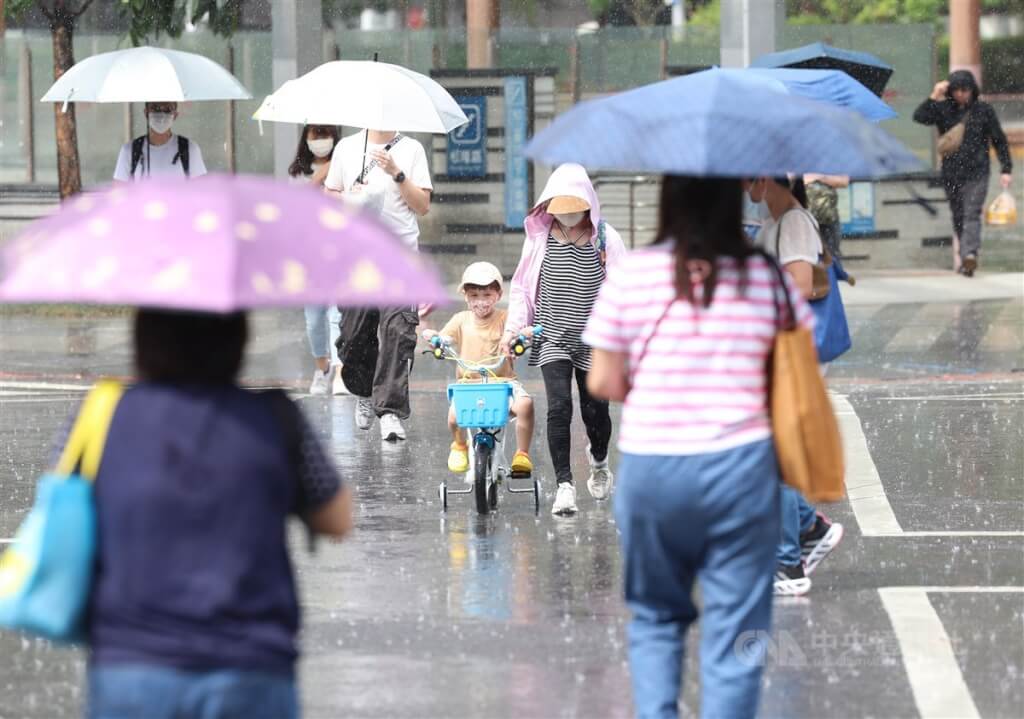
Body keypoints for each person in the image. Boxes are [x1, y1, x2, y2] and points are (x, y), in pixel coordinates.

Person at [584, 176, 813, 719]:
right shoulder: (763, 277)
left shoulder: (633, 274)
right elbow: (794, 373)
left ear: (668, 199)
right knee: (738, 630)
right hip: (741, 471)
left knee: (657, 617)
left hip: (654, 470)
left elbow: (602, 382)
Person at [83, 309, 352, 719]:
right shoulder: (275, 418)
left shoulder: (102, 416)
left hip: (132, 666)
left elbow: (68, 505)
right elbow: (336, 518)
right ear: (238, 342)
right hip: (248, 664)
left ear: (143, 341)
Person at [504, 163, 625, 516]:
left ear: (587, 205)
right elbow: (523, 287)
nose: (568, 216)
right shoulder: (539, 238)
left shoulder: (606, 238)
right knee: (558, 407)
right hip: (551, 335)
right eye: (562, 209)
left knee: (595, 412)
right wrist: (514, 328)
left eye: (575, 209)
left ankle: (599, 460)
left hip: (595, 341)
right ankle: (565, 485)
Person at [746, 176, 845, 596]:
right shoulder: (771, 225)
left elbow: (801, 286)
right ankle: (807, 527)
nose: (742, 187)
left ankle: (788, 563)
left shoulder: (795, 221)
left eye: (746, 178)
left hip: (793, 353)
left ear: (764, 179)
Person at [324, 129, 432, 441]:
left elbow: (422, 206)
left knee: (398, 331)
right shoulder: (347, 147)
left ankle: (390, 411)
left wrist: (396, 173)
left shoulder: (411, 149)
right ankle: (364, 390)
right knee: (353, 335)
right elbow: (330, 197)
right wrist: (350, 197)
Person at [423, 262, 535, 476]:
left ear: (498, 294)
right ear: (466, 296)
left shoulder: (505, 318)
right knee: (454, 417)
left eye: (487, 295)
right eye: (474, 296)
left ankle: (522, 453)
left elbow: (519, 331)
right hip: (469, 385)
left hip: (504, 384)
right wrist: (437, 339)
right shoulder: (461, 320)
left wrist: (524, 334)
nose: (481, 302)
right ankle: (459, 445)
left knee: (525, 406)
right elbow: (445, 337)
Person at [913, 70, 1013, 277]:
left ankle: (970, 254)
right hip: (951, 173)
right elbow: (920, 117)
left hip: (978, 171)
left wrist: (1006, 168)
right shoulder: (942, 109)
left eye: (965, 89)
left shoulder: (983, 110)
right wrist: (934, 94)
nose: (961, 93)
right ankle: (965, 255)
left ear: (972, 89)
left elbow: (999, 139)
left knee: (971, 213)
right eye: (956, 89)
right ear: (950, 90)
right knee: (958, 215)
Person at [289, 124, 347, 396]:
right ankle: (322, 367)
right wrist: (320, 176)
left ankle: (339, 372)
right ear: (307, 137)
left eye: (326, 134)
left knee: (337, 315)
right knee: (313, 318)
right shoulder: (297, 173)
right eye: (316, 134)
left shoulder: (344, 167)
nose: (321, 140)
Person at [113, 102, 207, 182]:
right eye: (155, 108)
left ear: (175, 115)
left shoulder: (190, 149)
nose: (161, 114)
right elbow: (119, 193)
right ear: (146, 113)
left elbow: (201, 192)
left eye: (167, 109)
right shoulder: (129, 150)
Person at [804, 174, 849, 259]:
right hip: (805, 219)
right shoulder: (800, 162)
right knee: (807, 255)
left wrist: (818, 177)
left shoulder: (830, 162)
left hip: (829, 219)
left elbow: (844, 182)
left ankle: (832, 271)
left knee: (832, 254)